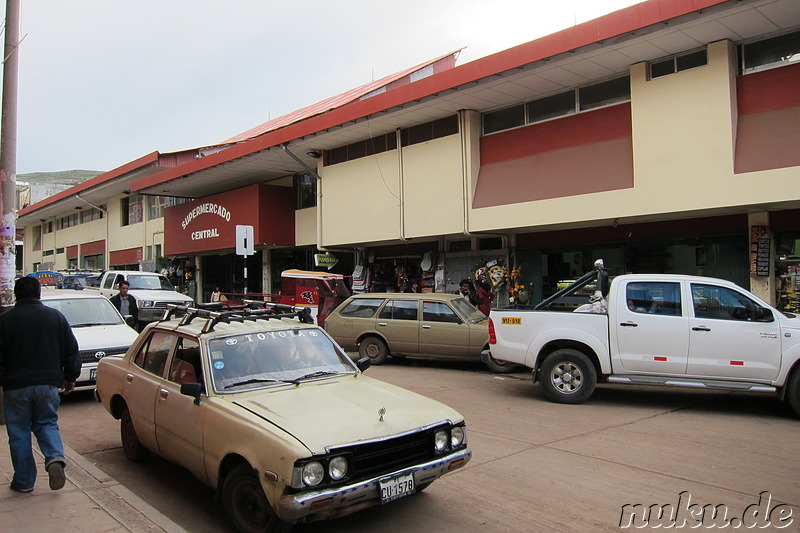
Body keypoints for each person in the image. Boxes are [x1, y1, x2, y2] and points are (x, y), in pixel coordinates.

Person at [0, 276, 80, 493]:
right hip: (48, 386)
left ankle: (24, 482)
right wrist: (71, 377)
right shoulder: (55, 317)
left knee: (19, 432)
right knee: (47, 424)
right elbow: (71, 350)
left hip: (16, 387)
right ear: (39, 294)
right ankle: (54, 457)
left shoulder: (5, 321)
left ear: (17, 295)